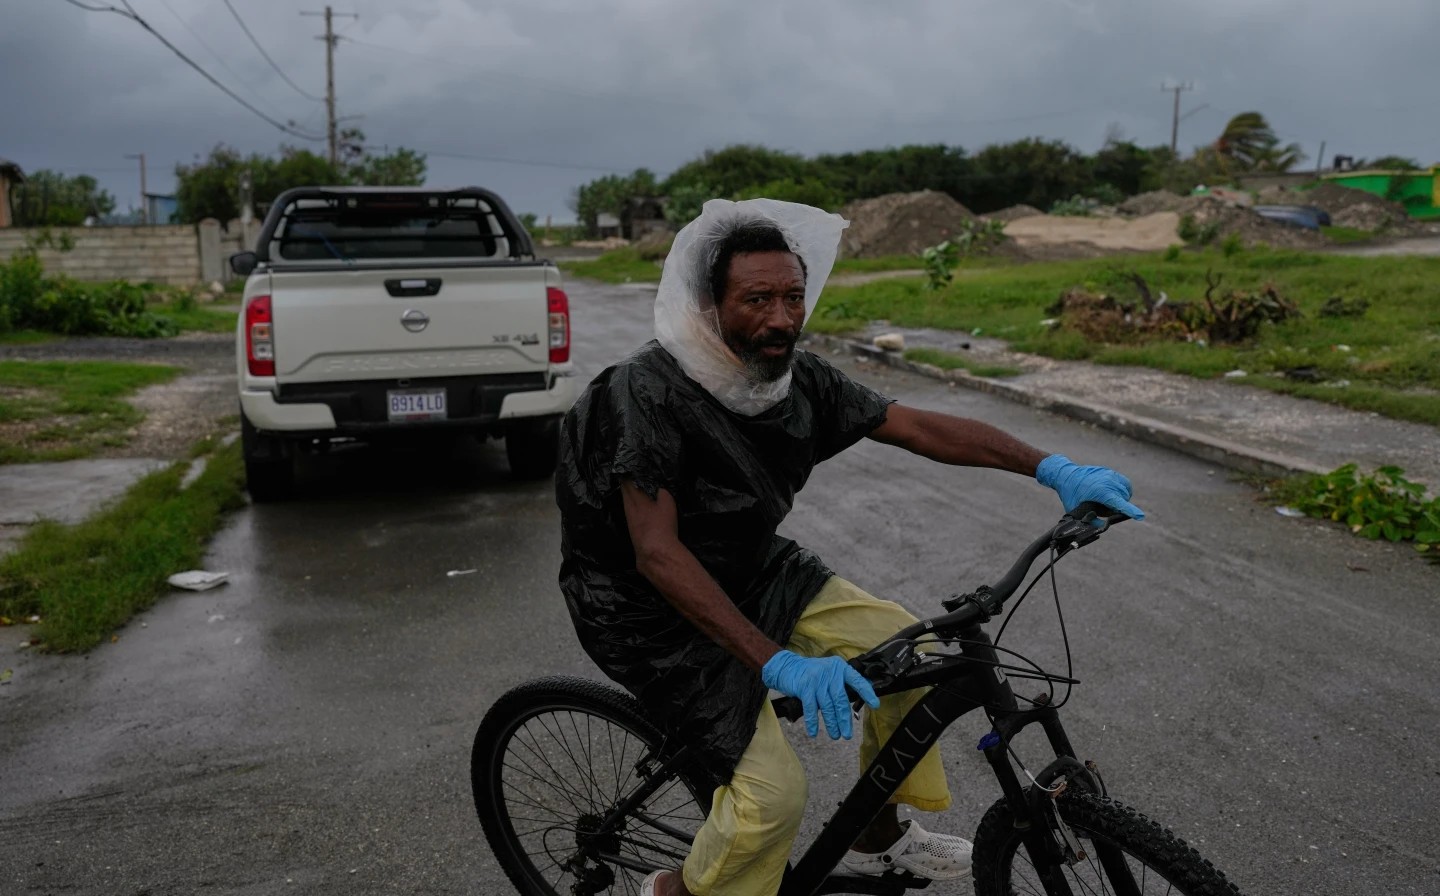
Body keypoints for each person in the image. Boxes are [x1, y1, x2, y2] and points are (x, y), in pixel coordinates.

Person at [556, 199, 1144, 896]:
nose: (781, 318)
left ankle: (881, 832)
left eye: (793, 296)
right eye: (756, 299)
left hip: (752, 569)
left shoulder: (793, 379)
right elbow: (656, 554)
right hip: (646, 612)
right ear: (708, 305)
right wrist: (779, 663)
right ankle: (671, 891)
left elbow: (918, 426)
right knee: (772, 801)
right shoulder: (643, 392)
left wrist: (1054, 469)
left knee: (910, 649)